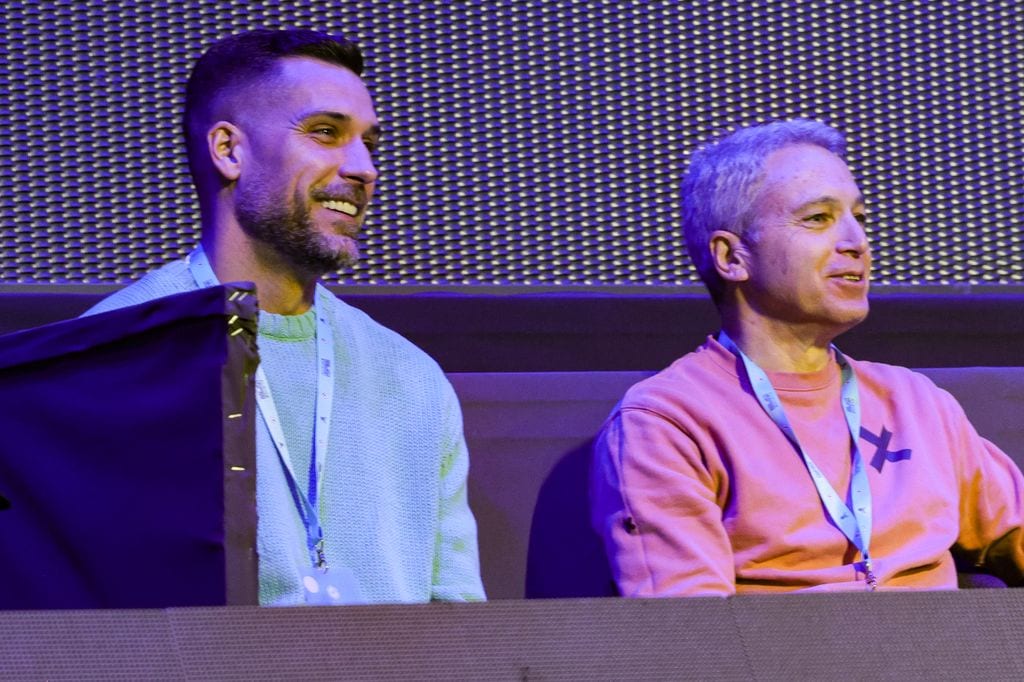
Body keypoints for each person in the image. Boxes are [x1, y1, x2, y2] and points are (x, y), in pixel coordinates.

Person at [86, 29, 485, 605]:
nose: (364, 167)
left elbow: (462, 627)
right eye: (326, 132)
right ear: (229, 150)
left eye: (368, 142)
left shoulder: (412, 377)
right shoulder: (111, 362)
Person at [590, 119, 1024, 596]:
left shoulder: (916, 401)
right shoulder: (665, 422)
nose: (857, 242)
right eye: (818, 218)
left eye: (859, 218)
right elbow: (695, 637)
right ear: (731, 257)